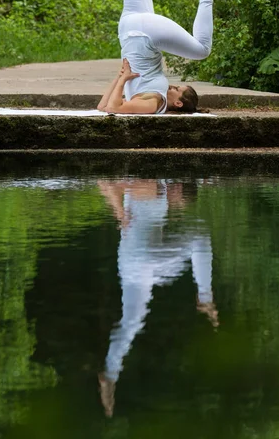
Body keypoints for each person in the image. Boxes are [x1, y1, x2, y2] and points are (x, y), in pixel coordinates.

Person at [97, 178, 219, 417]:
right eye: (179, 202)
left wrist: (122, 214)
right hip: (138, 261)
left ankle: (110, 374)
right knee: (199, 239)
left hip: (138, 263)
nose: (175, 207)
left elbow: (108, 185)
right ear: (178, 187)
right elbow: (107, 183)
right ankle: (205, 297)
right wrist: (120, 213)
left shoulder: (160, 190)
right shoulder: (154, 186)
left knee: (132, 321)